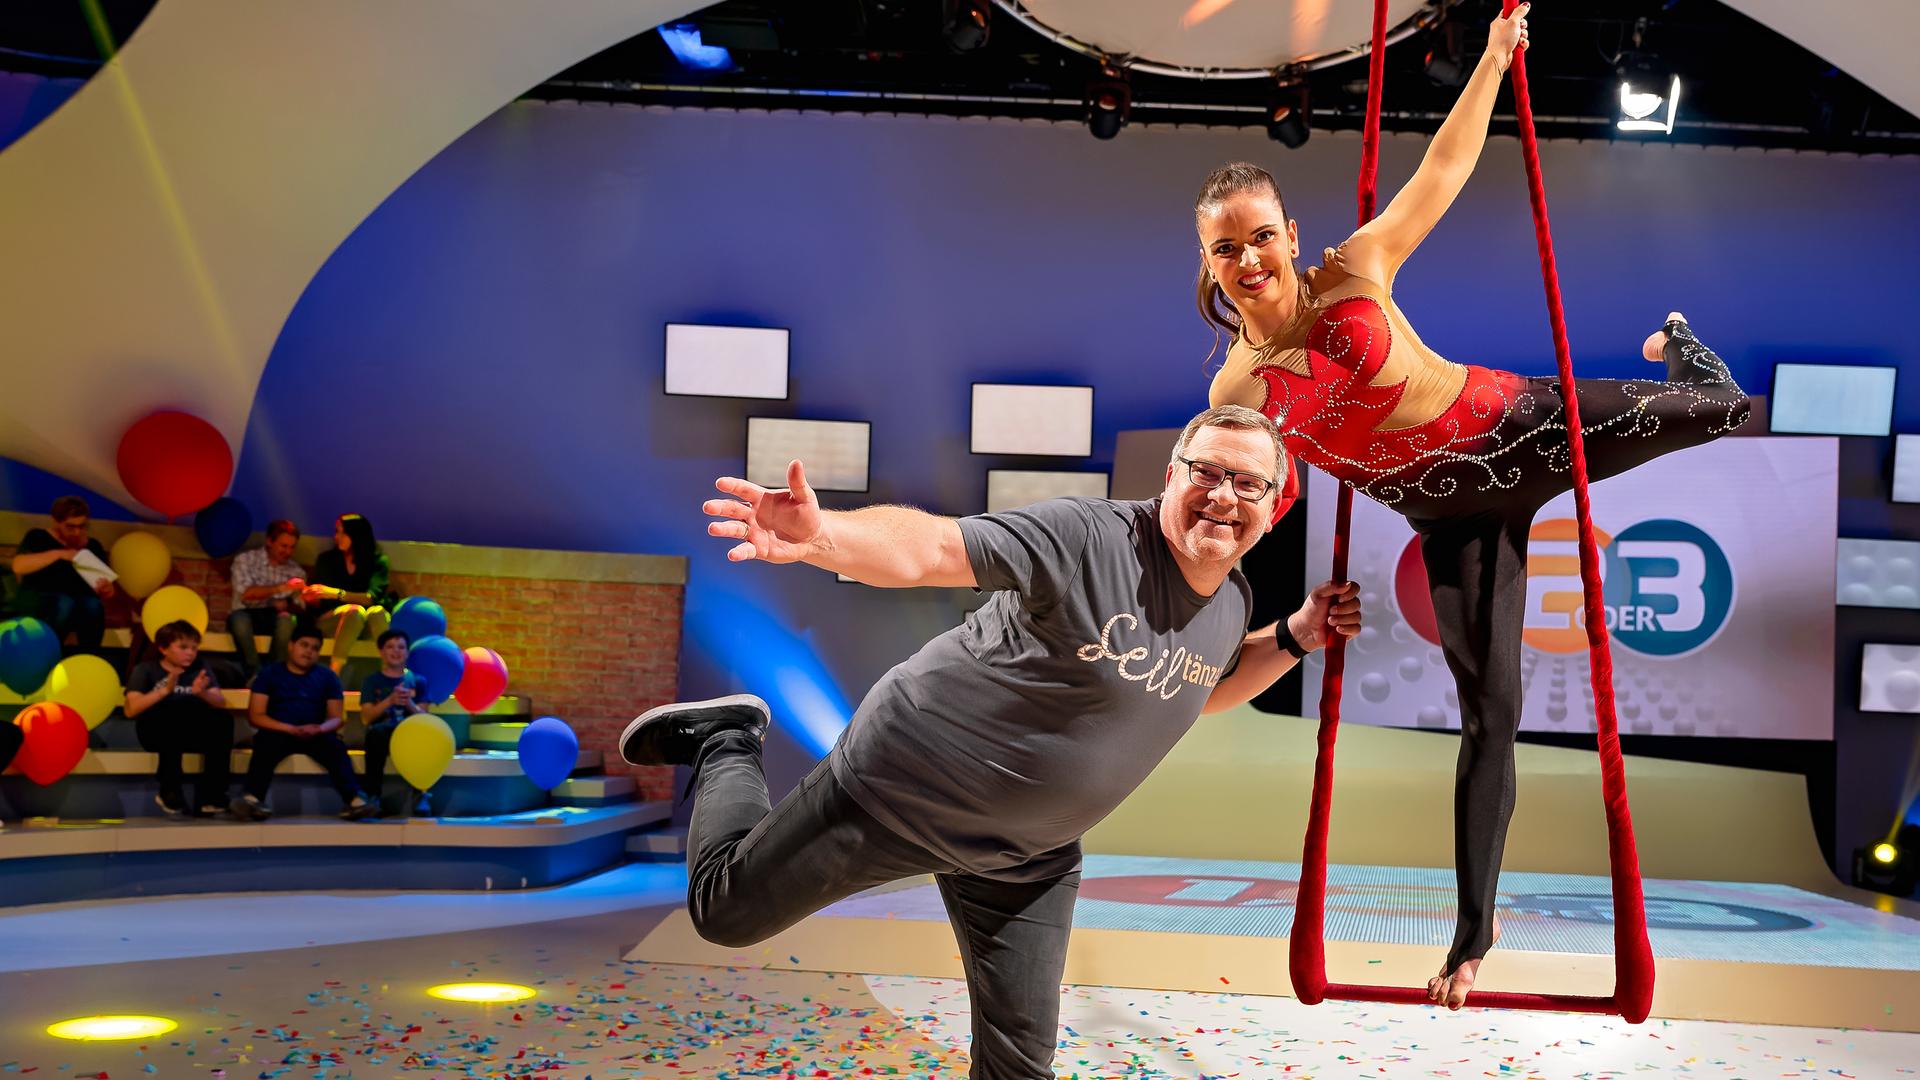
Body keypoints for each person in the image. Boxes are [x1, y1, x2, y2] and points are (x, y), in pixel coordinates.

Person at [1193, 5, 1749, 1008]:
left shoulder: (1355, 266)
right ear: (1210, 261)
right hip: (1448, 519)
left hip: (1515, 430)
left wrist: (1492, 57)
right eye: (1227, 247)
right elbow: (1237, 494)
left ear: (1289, 235)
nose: (1250, 259)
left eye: (1262, 236)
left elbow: (1442, 171)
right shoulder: (1234, 390)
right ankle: (1473, 935)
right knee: (1492, 716)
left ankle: (1678, 343)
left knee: (1725, 407)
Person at [623, 404, 1362, 1080]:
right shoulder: (1087, 538)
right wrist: (825, 538)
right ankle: (728, 738)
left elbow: (1205, 688)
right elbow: (934, 547)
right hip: (900, 791)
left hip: (1027, 858)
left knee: (1019, 1067)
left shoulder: (1231, 602)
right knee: (725, 913)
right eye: (1206, 472)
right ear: (1172, 476)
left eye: (1247, 482)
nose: (1224, 495)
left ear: (1273, 506)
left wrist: (1299, 634)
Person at [231, 625, 377, 821]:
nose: (309, 651)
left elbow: (336, 717)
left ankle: (354, 801)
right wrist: (289, 728)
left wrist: (319, 728)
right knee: (265, 744)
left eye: (315, 648)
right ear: (291, 646)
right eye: (304, 645)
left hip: (315, 733)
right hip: (278, 731)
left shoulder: (327, 677)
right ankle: (252, 799)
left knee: (335, 747)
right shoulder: (269, 674)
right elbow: (256, 716)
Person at [124, 620, 237, 818]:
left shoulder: (200, 668)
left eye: (194, 648)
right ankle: (170, 790)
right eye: (183, 647)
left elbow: (219, 702)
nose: (190, 653)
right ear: (163, 648)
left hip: (189, 730)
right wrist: (164, 691)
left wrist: (202, 693)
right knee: (171, 715)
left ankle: (212, 796)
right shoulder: (145, 669)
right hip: (155, 731)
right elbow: (131, 710)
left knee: (222, 720)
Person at [8, 495, 115, 652]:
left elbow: (108, 592)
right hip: (41, 599)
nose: (77, 532)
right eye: (70, 527)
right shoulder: (38, 536)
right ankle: (49, 651)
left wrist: (106, 588)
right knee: (64, 603)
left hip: (80, 603)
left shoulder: (93, 546)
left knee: (93, 605)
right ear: (55, 521)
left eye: (82, 526)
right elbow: (18, 566)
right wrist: (59, 554)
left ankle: (89, 656)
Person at [301, 514, 395, 675]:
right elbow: (321, 604)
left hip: (366, 623)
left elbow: (372, 598)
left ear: (356, 535)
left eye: (341, 532)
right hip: (333, 621)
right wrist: (310, 596)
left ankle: (391, 672)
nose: (336, 537)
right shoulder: (327, 560)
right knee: (354, 611)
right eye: (336, 532)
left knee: (378, 612)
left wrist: (335, 593)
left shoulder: (377, 561)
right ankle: (334, 674)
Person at [359, 629, 431, 816]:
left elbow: (424, 718)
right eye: (390, 647)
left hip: (411, 732)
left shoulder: (418, 681)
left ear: (407, 652)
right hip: (382, 733)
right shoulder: (371, 681)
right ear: (381, 652)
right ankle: (373, 797)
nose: (396, 651)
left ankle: (420, 794)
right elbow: (366, 717)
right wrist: (389, 701)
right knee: (375, 735)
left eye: (401, 647)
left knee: (424, 738)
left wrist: (409, 703)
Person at [227, 519, 307, 677]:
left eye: (292, 547)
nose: (288, 551)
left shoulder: (296, 571)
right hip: (246, 613)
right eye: (283, 546)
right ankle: (254, 673)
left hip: (276, 618)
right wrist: (279, 589)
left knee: (288, 621)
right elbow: (246, 594)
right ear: (269, 541)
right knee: (239, 621)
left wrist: (289, 604)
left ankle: (274, 674)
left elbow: (300, 606)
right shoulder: (246, 560)